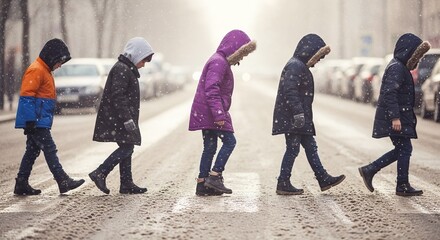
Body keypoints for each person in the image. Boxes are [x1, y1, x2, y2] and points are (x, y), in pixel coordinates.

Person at [272, 34, 345, 195]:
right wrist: (298, 113)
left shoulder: (298, 65)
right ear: (309, 52)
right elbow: (290, 91)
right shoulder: (295, 66)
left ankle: (322, 178)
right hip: (294, 117)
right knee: (293, 149)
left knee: (310, 147)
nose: (318, 61)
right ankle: (283, 182)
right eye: (318, 57)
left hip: (299, 116)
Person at [359, 33, 430, 196]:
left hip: (401, 115)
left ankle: (371, 170)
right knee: (404, 149)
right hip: (396, 117)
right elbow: (389, 93)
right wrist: (395, 117)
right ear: (408, 52)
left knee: (402, 149)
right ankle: (400, 184)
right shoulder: (397, 67)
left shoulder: (399, 66)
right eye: (416, 55)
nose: (417, 59)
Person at [189, 29, 256, 196]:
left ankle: (202, 184)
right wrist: (219, 114)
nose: (243, 57)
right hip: (212, 112)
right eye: (243, 53)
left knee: (210, 147)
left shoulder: (219, 61)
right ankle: (215, 176)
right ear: (235, 49)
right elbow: (212, 89)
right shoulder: (219, 62)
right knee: (230, 142)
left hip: (208, 111)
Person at [14, 38, 85, 195]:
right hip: (36, 121)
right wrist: (30, 120)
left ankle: (21, 183)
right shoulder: (37, 70)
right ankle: (62, 180)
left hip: (39, 120)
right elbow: (27, 96)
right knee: (50, 149)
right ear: (52, 57)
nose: (60, 65)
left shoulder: (44, 70)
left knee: (32, 151)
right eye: (59, 62)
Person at [89, 37, 154, 195]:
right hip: (119, 118)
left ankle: (126, 183)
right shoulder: (122, 69)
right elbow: (118, 96)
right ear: (136, 55)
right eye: (143, 60)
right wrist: (127, 118)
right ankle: (101, 172)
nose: (144, 64)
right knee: (127, 147)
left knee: (127, 145)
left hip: (120, 117)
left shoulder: (125, 68)